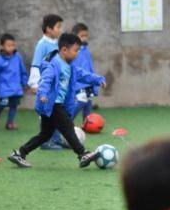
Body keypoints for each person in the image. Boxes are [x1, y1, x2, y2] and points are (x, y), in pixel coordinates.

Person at [8, 33, 105, 168]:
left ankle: (19, 153)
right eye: (75, 51)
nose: (77, 54)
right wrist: (42, 93)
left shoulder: (70, 66)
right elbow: (45, 80)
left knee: (45, 134)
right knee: (67, 126)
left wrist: (98, 79)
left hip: (58, 105)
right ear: (64, 50)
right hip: (50, 104)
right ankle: (83, 154)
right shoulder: (53, 65)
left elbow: (83, 74)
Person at [28, 14, 64, 150]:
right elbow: (36, 64)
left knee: (56, 111)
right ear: (49, 29)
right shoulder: (42, 45)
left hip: (55, 86)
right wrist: (35, 83)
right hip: (45, 85)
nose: (60, 30)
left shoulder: (56, 44)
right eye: (58, 27)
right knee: (46, 113)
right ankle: (45, 141)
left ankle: (56, 139)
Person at [0, 33, 29, 130]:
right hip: (4, 89)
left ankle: (10, 123)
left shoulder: (18, 57)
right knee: (3, 103)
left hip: (16, 88)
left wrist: (25, 83)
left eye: (13, 45)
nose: (11, 47)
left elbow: (22, 71)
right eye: (8, 45)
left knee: (14, 105)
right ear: (2, 46)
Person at [71, 22, 99, 122]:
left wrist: (94, 83)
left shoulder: (86, 51)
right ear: (74, 36)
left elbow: (90, 68)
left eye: (86, 36)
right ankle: (67, 121)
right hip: (78, 84)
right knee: (81, 101)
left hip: (88, 83)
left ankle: (87, 124)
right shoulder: (73, 51)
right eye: (82, 36)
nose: (84, 38)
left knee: (88, 103)